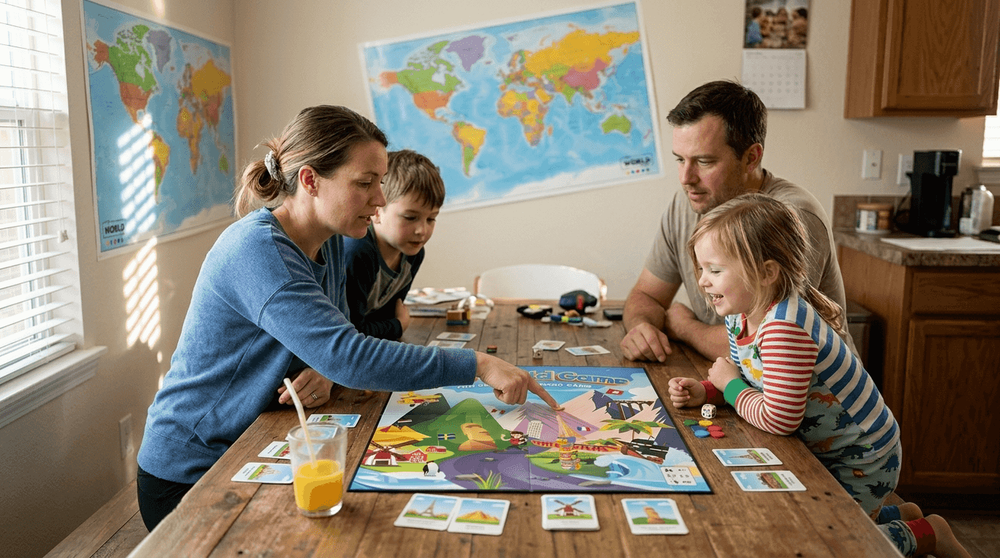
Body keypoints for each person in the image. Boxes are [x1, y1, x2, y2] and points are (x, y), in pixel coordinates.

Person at [135, 105, 560, 531]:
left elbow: (335, 341)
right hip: (193, 469)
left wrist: (326, 366)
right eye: (365, 183)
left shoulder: (331, 240)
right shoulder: (258, 249)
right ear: (310, 181)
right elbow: (348, 356)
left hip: (257, 440)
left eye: (381, 182)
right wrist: (477, 364)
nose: (380, 199)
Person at [667, 193, 971, 558]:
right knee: (828, 522)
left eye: (715, 270)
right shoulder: (740, 314)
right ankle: (898, 516)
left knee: (834, 545)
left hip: (862, 456)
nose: (703, 281)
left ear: (766, 273)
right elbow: (755, 382)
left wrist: (727, 385)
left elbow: (779, 418)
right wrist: (709, 391)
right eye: (702, 269)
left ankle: (928, 534)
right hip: (830, 449)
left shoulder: (783, 328)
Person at [620, 80, 851, 363]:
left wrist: (684, 327)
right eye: (680, 159)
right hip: (731, 378)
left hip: (811, 388)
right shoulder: (688, 202)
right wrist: (641, 327)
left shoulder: (793, 217)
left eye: (704, 162)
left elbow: (768, 345)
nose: (685, 178)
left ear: (751, 158)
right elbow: (647, 295)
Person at [343, 149, 442, 340]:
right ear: (377, 212)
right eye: (410, 217)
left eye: (431, 219)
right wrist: (398, 326)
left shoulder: (414, 253)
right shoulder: (358, 252)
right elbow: (351, 335)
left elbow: (385, 318)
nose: (422, 230)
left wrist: (393, 324)